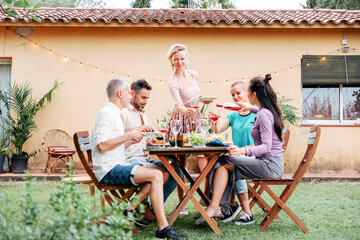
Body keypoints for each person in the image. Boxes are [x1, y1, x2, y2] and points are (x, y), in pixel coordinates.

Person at [91, 78, 186, 239]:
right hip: (109, 170)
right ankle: (162, 226)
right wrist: (128, 135)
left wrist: (130, 139)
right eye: (129, 93)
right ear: (120, 93)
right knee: (157, 174)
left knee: (167, 172)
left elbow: (115, 145)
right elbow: (102, 146)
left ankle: (147, 215)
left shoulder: (115, 114)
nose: (130, 96)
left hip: (117, 164)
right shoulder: (106, 114)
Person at [196, 74, 284, 226]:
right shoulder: (265, 111)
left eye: (247, 93)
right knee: (224, 162)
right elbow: (256, 110)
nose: (246, 96)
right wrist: (247, 107)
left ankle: (215, 206)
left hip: (270, 165)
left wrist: (243, 150)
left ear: (253, 94)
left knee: (224, 162)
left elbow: (267, 146)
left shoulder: (263, 114)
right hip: (267, 162)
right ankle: (219, 206)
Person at [122, 79, 183, 219]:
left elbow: (142, 141)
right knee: (162, 173)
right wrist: (134, 134)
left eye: (147, 98)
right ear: (132, 94)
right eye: (143, 97)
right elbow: (119, 140)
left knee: (176, 171)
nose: (145, 101)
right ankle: (135, 206)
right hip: (129, 160)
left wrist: (150, 142)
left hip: (144, 158)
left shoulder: (142, 115)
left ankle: (152, 206)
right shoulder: (124, 113)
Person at [204, 81, 256, 223]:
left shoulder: (256, 112)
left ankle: (246, 212)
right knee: (224, 162)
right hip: (237, 155)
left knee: (230, 164)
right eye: (232, 95)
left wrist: (243, 151)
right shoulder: (233, 115)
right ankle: (230, 206)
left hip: (253, 154)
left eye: (238, 93)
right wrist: (213, 120)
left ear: (247, 93)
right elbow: (217, 130)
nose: (235, 97)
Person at [166, 43, 204, 215]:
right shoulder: (172, 81)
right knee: (181, 161)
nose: (179, 61)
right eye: (176, 59)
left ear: (186, 59)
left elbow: (197, 96)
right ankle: (183, 203)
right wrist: (186, 110)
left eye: (182, 58)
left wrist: (204, 102)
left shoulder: (193, 74)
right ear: (171, 61)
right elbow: (179, 105)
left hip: (196, 117)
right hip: (181, 120)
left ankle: (206, 194)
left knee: (204, 153)